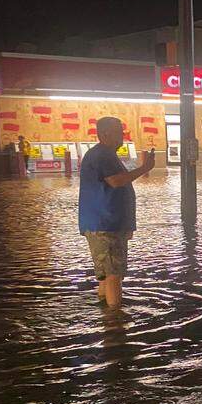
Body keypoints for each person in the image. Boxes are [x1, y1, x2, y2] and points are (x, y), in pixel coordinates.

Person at [78, 117, 154, 309]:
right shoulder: (103, 155)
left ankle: (106, 314)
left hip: (103, 224)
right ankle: (115, 323)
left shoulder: (102, 155)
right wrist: (144, 168)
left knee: (105, 275)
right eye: (119, 132)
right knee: (113, 274)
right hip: (106, 224)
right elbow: (116, 181)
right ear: (105, 134)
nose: (123, 135)